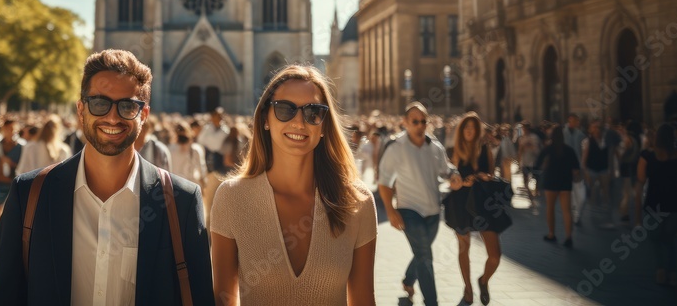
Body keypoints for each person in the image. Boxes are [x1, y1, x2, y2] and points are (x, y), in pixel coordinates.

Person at [0, 49, 214, 304]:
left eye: (127, 106)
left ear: (144, 115)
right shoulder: (28, 195)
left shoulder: (180, 201)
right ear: (81, 110)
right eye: (99, 103)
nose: (112, 117)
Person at [210, 65, 377, 305]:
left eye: (313, 112)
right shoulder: (231, 198)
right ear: (265, 118)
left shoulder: (357, 201)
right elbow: (223, 299)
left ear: (323, 126)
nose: (299, 122)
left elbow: (363, 301)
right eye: (285, 109)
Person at [378, 103, 462, 306]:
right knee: (425, 256)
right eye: (415, 121)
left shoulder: (435, 147)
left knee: (421, 253)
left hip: (433, 211)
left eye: (423, 121)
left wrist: (455, 175)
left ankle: (408, 280)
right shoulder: (395, 147)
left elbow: (446, 170)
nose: (420, 125)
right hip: (409, 211)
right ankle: (432, 301)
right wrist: (390, 210)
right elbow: (384, 182)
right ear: (405, 123)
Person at [442, 113, 502, 305]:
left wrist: (485, 176)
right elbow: (451, 181)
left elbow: (492, 174)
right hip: (460, 203)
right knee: (463, 248)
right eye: (466, 128)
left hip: (484, 203)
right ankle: (467, 288)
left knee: (495, 255)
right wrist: (462, 183)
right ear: (462, 131)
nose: (469, 131)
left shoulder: (485, 149)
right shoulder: (456, 150)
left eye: (473, 128)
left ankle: (483, 281)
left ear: (477, 131)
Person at [636, 123, 677, 287]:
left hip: (653, 203)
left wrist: (636, 215)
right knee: (668, 238)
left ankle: (661, 270)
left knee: (656, 238)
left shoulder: (646, 156)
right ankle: (672, 273)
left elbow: (640, 184)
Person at [535, 126, 580, 247]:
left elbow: (537, 164)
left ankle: (551, 234)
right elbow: (576, 170)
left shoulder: (548, 149)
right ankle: (568, 237)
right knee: (567, 211)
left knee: (550, 209)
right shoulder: (569, 150)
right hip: (565, 182)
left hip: (551, 182)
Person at [0, 119, 24, 236]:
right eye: (8, 129)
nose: (10, 132)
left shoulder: (22, 147)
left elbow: (24, 166)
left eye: (12, 129)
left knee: (15, 213)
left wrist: (11, 163)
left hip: (15, 183)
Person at [198, 106, 231, 220]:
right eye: (215, 116)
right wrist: (210, 141)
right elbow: (200, 140)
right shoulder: (208, 128)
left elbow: (214, 145)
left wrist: (209, 141)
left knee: (219, 199)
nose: (217, 118)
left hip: (219, 168)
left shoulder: (225, 130)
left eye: (219, 116)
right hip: (208, 167)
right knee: (208, 199)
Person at [169, 120, 207, 188]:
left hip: (174, 185)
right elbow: (201, 171)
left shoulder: (169, 149)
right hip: (191, 186)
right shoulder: (196, 149)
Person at [518, 123, 542, 210]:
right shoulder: (522, 138)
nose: (523, 130)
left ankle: (536, 192)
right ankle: (531, 198)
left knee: (536, 179)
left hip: (534, 162)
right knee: (525, 181)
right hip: (525, 162)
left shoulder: (534, 137)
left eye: (524, 129)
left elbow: (538, 150)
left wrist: (530, 146)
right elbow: (520, 150)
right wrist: (519, 161)